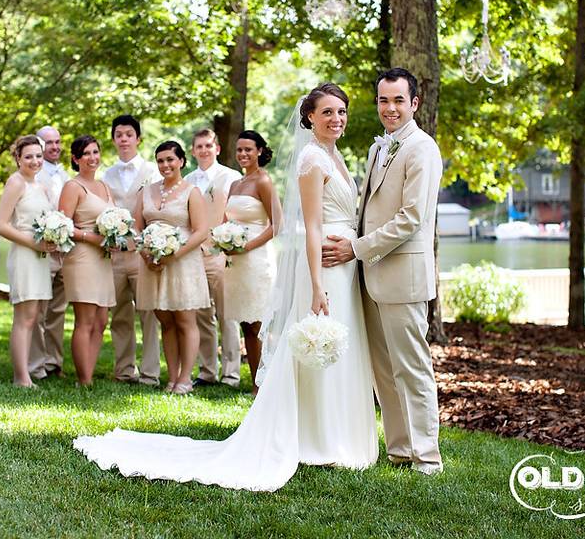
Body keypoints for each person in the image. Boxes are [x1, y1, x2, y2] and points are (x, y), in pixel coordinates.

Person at [74, 84, 378, 491]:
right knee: (314, 344)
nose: (336, 119)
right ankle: (318, 439)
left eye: (341, 111)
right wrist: (317, 285)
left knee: (341, 344)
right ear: (309, 118)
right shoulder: (310, 159)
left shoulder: (334, 155)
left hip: (345, 263)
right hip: (322, 265)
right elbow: (311, 227)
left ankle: (338, 433)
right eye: (327, 112)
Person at [322, 67, 444, 475]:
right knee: (384, 371)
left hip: (402, 276)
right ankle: (400, 450)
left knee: (412, 368)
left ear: (414, 103)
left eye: (397, 100)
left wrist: (355, 249)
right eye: (382, 100)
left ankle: (427, 457)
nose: (389, 108)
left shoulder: (422, 148)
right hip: (370, 275)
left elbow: (411, 218)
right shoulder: (379, 149)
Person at [134, 141, 210, 394]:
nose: (165, 165)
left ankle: (186, 378)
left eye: (170, 159)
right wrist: (146, 253)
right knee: (165, 319)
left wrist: (174, 254)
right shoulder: (146, 191)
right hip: (153, 263)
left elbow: (201, 232)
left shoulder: (192, 191)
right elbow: (137, 228)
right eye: (160, 160)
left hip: (183, 263)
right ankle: (172, 376)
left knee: (185, 319)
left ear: (181, 161)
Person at [101, 115, 162, 385]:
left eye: (128, 134)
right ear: (114, 140)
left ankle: (150, 372)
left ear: (138, 139)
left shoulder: (152, 171)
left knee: (149, 313)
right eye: (118, 135)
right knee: (120, 313)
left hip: (142, 254)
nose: (123, 139)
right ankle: (124, 369)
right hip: (115, 255)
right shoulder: (107, 175)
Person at [0, 136, 57, 387]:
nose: (34, 161)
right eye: (28, 156)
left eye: (38, 156)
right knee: (25, 317)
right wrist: (32, 243)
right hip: (25, 255)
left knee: (35, 316)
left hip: (41, 257)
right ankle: (21, 377)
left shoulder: (41, 187)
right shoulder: (15, 182)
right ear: (18, 158)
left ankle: (28, 371)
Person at [184, 128, 243, 388]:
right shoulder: (188, 181)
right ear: (194, 151)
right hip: (196, 255)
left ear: (217, 148)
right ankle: (207, 371)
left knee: (227, 314)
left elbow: (239, 214)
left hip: (224, 253)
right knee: (201, 314)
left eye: (209, 145)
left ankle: (231, 373)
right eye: (199, 146)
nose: (204, 150)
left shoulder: (232, 177)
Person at [223, 130, 279, 395]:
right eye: (239, 150)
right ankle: (256, 380)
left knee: (258, 322)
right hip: (236, 261)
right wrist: (223, 241)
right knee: (246, 321)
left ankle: (265, 384)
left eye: (248, 149)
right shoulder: (235, 184)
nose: (243, 154)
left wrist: (247, 246)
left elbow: (277, 225)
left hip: (257, 258)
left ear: (259, 151)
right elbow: (228, 219)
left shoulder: (263, 181)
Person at [59, 135, 117, 386]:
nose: (93, 158)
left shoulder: (103, 186)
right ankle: (84, 380)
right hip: (82, 257)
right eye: (86, 154)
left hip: (103, 258)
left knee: (101, 319)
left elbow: (115, 217)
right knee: (85, 319)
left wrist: (117, 235)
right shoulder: (73, 187)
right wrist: (92, 237)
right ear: (75, 159)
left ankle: (88, 375)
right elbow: (63, 226)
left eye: (96, 152)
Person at [30, 125, 70, 380]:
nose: (54, 147)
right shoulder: (33, 174)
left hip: (65, 253)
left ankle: (54, 362)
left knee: (58, 311)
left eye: (57, 142)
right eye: (49, 143)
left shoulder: (66, 175)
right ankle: (36, 364)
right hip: (42, 251)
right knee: (38, 310)